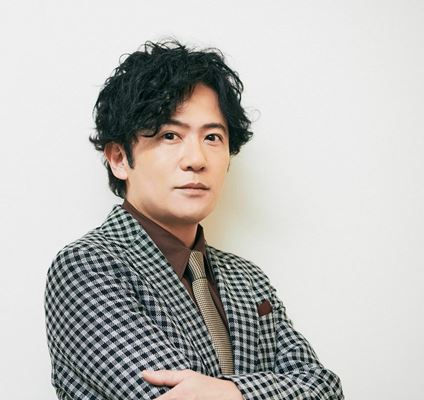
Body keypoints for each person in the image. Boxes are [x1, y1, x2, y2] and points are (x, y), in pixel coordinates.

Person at [44, 40, 344, 400]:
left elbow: (326, 388)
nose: (196, 160)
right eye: (170, 135)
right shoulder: (87, 266)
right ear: (119, 158)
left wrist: (231, 393)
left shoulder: (247, 279)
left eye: (213, 137)